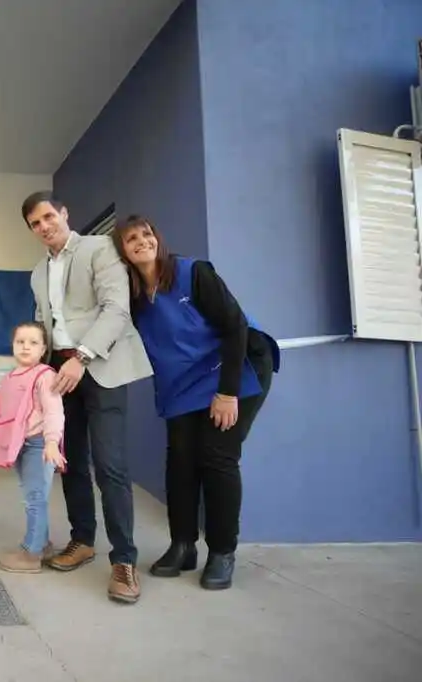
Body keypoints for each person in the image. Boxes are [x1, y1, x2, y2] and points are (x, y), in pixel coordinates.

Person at [112, 215, 280, 590]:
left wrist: (227, 393)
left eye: (146, 234)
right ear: (122, 252)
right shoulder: (132, 296)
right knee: (180, 461)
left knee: (217, 456)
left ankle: (222, 552)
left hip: (237, 367)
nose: (141, 241)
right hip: (184, 380)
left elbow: (235, 326)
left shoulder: (194, 273)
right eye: (130, 239)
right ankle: (183, 546)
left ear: (158, 238)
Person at [22, 190, 153, 604]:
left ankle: (124, 560)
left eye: (48, 217)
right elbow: (44, 325)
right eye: (35, 224)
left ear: (64, 213)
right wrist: (33, 372)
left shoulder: (99, 248)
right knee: (71, 461)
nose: (44, 227)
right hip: (60, 373)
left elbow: (117, 309)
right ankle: (82, 540)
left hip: (101, 367)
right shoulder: (37, 273)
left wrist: (81, 357)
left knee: (110, 465)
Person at [0, 322, 67, 574]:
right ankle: (42, 544)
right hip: (19, 445)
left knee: (35, 499)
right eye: (20, 342)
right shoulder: (11, 376)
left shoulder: (45, 375)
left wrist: (51, 442)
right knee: (33, 496)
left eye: (33, 343)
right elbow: (6, 406)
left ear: (43, 349)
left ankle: (31, 553)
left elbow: (54, 411)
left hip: (38, 444)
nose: (26, 347)